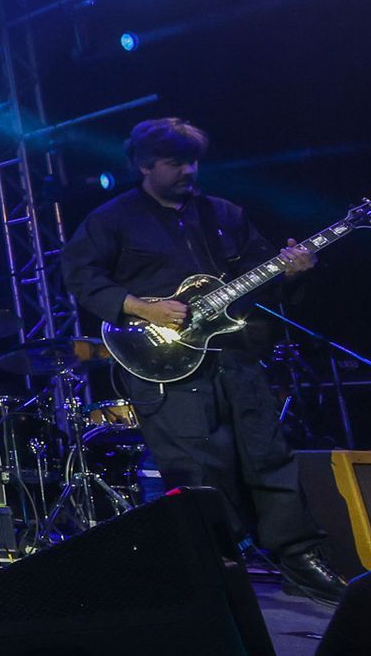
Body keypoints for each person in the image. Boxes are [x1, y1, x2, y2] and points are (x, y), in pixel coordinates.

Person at [61, 117, 349, 605]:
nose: (188, 171)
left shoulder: (225, 214)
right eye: (175, 162)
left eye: (193, 161)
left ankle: (300, 558)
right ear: (144, 165)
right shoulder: (112, 218)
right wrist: (140, 306)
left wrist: (293, 272)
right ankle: (215, 568)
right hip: (162, 362)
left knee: (269, 457)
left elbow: (264, 281)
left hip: (235, 355)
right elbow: (78, 275)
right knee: (194, 471)